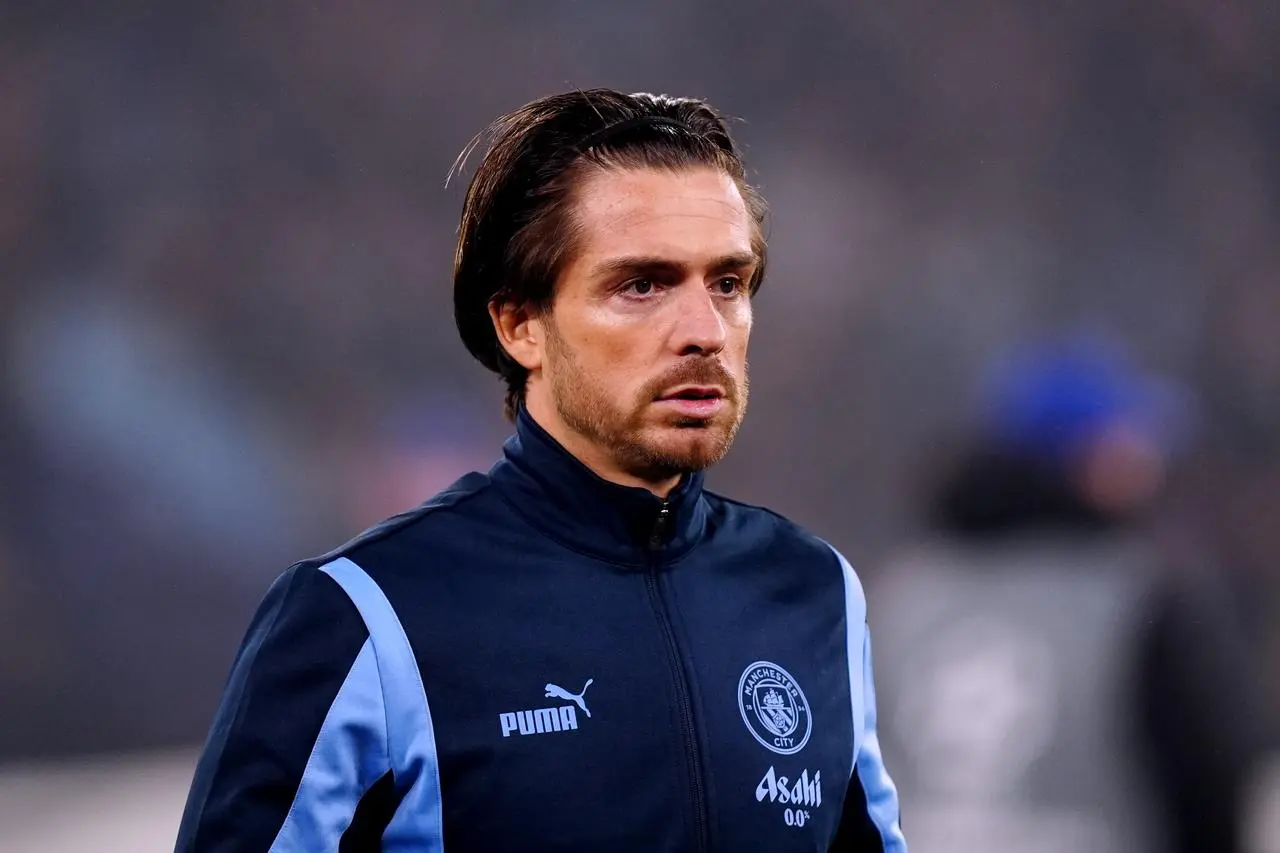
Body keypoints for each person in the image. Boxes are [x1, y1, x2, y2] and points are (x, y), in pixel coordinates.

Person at [175, 89, 907, 852]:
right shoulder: (364, 615)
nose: (704, 331)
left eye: (727, 283)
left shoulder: (815, 590)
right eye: (642, 285)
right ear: (520, 324)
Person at [866, 333, 1270, 853]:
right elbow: (1214, 795)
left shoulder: (901, 596)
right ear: (1081, 457)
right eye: (1124, 441)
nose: (1147, 462)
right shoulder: (1141, 604)